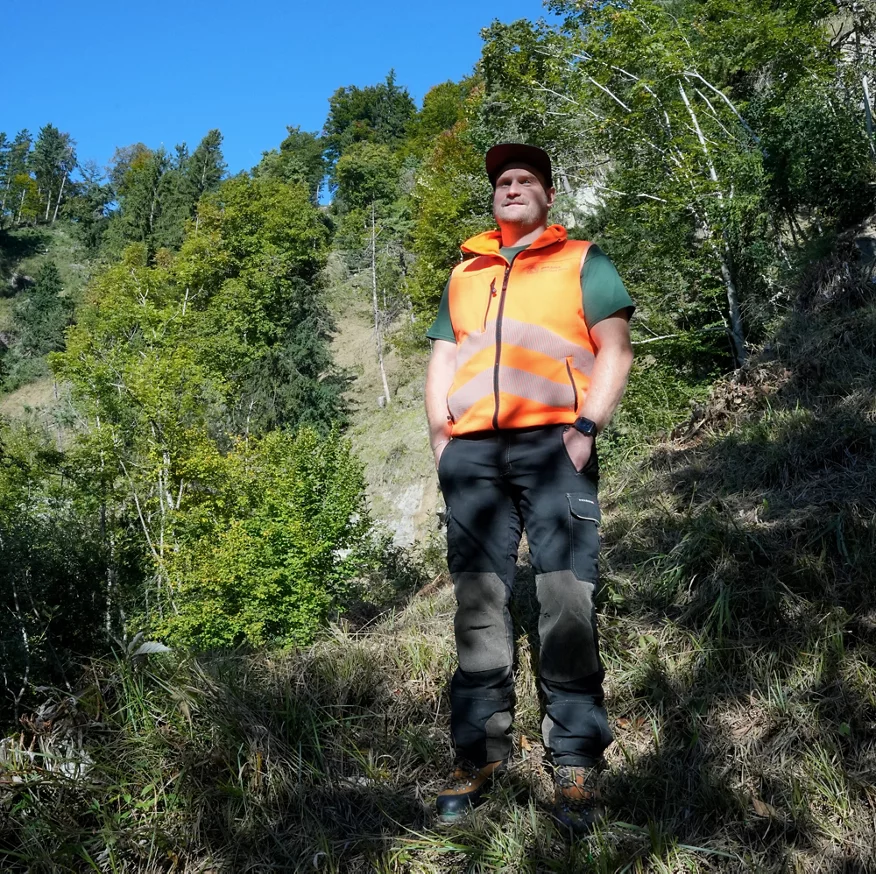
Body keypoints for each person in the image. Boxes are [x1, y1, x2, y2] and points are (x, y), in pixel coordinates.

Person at [424, 143, 634, 832]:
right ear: (494, 199)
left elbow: (616, 348)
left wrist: (585, 429)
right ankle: (478, 753)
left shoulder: (584, 261)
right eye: (503, 181)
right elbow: (445, 355)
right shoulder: (464, 274)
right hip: (474, 454)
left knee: (565, 596)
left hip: (554, 445)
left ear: (547, 197)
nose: (512, 187)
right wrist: (440, 438)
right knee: (480, 604)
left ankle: (574, 756)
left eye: (526, 180)